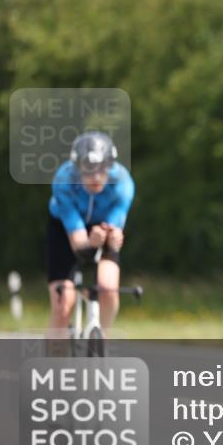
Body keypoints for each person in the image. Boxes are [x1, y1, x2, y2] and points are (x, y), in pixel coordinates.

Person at [47, 131, 135, 339]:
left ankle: (101, 339)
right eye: (88, 170)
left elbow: (114, 231)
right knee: (63, 303)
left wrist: (113, 240)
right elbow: (78, 242)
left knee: (108, 288)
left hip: (102, 226)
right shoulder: (63, 181)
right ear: (77, 169)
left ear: (110, 166)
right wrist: (90, 242)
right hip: (64, 226)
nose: (95, 177)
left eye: (102, 169)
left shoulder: (123, 184)